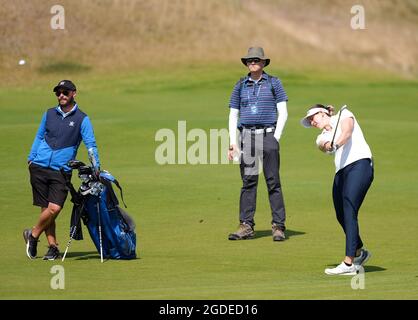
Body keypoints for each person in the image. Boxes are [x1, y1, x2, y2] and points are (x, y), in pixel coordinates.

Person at [24, 80, 100, 260]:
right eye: (58, 93)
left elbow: (91, 145)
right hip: (39, 166)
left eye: (65, 92)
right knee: (46, 210)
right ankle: (52, 247)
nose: (61, 96)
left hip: (61, 170)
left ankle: (32, 235)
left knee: (55, 208)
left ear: (74, 93)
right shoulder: (49, 113)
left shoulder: (82, 118)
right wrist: (31, 157)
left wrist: (96, 166)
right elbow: (39, 135)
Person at [300, 104, 374, 275]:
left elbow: (347, 131)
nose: (311, 122)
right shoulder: (321, 136)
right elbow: (324, 145)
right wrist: (330, 145)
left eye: (312, 117)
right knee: (341, 214)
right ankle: (359, 251)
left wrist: (338, 143)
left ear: (322, 112)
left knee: (349, 208)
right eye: (309, 121)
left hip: (360, 164)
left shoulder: (344, 113)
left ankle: (349, 264)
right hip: (341, 172)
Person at [227, 47, 288, 241]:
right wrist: (233, 142)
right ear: (246, 63)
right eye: (250, 60)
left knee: (273, 182)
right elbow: (233, 114)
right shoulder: (240, 85)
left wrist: (275, 138)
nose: (253, 62)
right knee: (248, 182)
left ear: (263, 63)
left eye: (257, 60)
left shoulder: (274, 83)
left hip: (268, 135)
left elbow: (283, 112)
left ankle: (278, 226)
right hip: (247, 137)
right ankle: (246, 225)